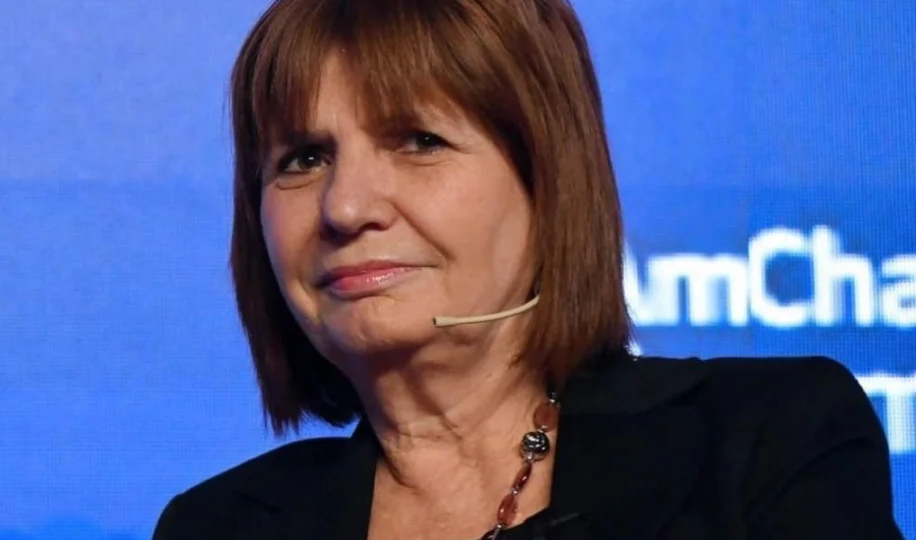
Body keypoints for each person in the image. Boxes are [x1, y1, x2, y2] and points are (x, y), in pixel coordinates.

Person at [152, 0, 903, 538]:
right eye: (304, 158)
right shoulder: (214, 525)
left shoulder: (770, 443)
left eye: (418, 141)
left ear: (549, 184)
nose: (345, 207)